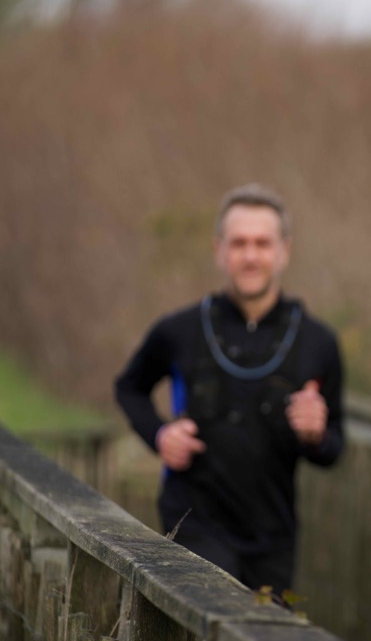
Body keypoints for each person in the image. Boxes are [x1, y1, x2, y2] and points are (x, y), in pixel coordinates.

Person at [115, 183, 344, 601]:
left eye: (262, 243)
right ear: (219, 250)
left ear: (284, 251)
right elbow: (129, 387)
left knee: (270, 635)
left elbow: (334, 449)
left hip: (273, 539)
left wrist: (316, 434)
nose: (250, 256)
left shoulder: (318, 343)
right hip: (193, 524)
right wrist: (160, 435)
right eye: (239, 243)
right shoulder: (180, 330)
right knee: (206, 628)